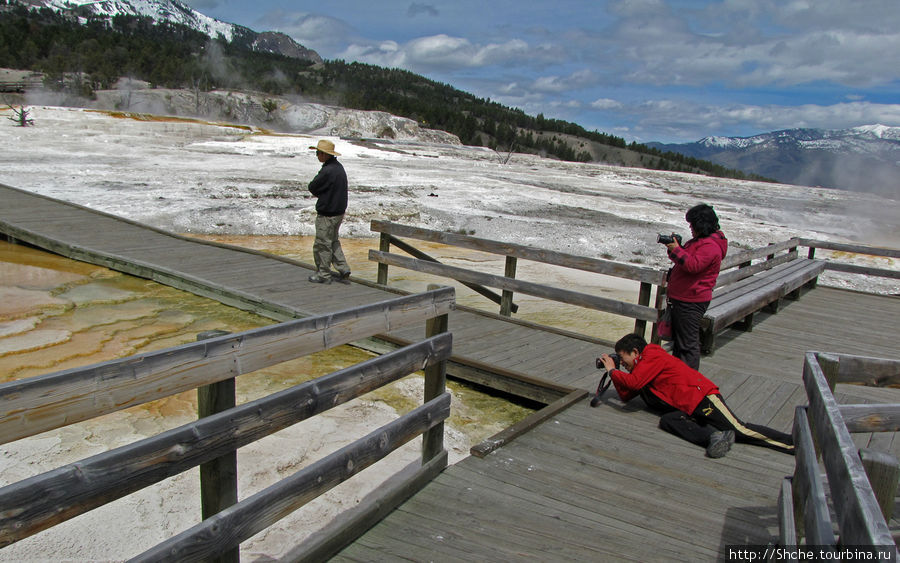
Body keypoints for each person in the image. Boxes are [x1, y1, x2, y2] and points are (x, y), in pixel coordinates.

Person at [598, 333, 793, 458]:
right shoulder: (641, 368)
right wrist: (613, 373)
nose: (621, 363)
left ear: (635, 352)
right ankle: (714, 436)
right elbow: (625, 395)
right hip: (685, 408)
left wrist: (613, 371)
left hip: (702, 398)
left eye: (622, 358)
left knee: (741, 430)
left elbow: (633, 383)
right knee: (668, 420)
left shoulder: (652, 355)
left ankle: (792, 444)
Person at [663, 203, 727, 369]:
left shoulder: (710, 246)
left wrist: (677, 250)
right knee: (681, 343)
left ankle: (688, 384)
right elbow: (687, 261)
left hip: (690, 301)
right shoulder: (703, 241)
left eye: (692, 224)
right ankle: (679, 380)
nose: (690, 228)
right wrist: (675, 249)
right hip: (684, 299)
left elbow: (693, 265)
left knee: (688, 345)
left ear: (700, 224)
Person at [307, 139, 350, 285]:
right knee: (333, 241)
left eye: (318, 153)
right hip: (339, 212)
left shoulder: (327, 170)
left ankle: (323, 274)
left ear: (325, 155)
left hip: (328, 213)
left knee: (322, 244)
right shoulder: (339, 168)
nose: (317, 155)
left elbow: (312, 186)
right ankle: (343, 268)